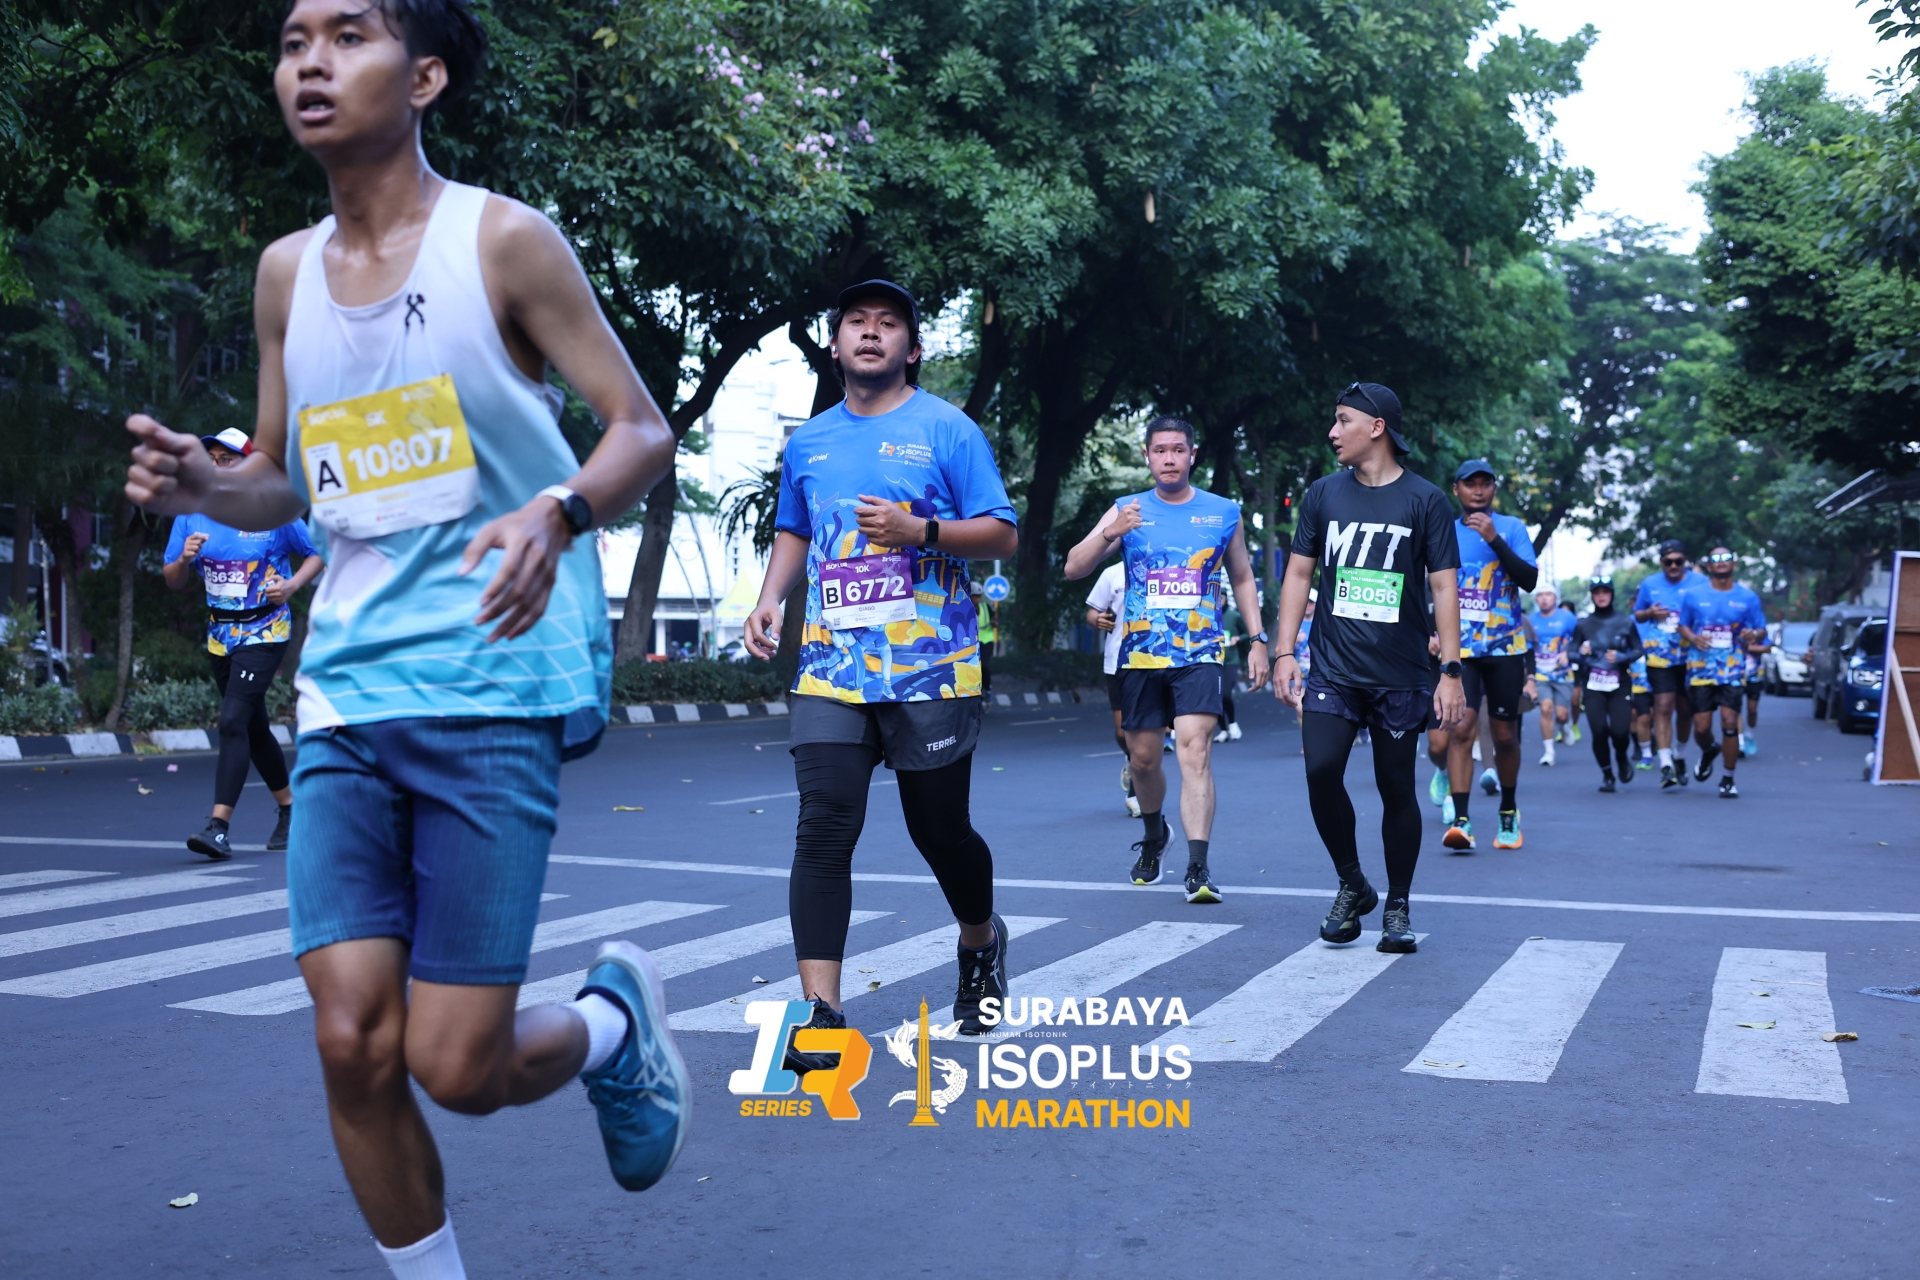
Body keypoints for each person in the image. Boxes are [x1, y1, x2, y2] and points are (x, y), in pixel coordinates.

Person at [123, 6, 688, 1275]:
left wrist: (559, 508)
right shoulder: (285, 273)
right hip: (345, 692)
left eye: (349, 35)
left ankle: (611, 1024)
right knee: (351, 1042)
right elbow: (289, 477)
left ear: (423, 76)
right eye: (293, 42)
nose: (311, 63)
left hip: (491, 681)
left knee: (458, 1066)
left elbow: (640, 427)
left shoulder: (501, 241)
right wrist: (207, 485)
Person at [743, 277, 1019, 1053]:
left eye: (888, 323)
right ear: (835, 346)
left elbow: (1002, 534)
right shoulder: (809, 442)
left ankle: (979, 940)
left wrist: (919, 529)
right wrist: (769, 598)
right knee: (824, 828)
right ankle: (821, 1015)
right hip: (831, 667)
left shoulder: (949, 430)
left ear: (913, 348)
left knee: (940, 831)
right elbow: (795, 529)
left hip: (932, 666)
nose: (871, 331)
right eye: (856, 321)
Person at [1270, 381, 1465, 953]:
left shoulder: (1426, 500)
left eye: (1343, 420)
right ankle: (1353, 883)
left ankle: (1397, 906)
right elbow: (1299, 574)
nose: (1333, 432)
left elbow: (1444, 587)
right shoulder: (1323, 494)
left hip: (1400, 674)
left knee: (1395, 786)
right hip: (1333, 668)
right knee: (1320, 770)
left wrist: (1451, 671)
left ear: (1376, 427)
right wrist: (1285, 650)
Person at [1063, 416, 1269, 903]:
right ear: (1147, 456)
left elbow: (1242, 577)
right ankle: (1155, 835)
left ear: (1192, 455)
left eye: (1178, 449)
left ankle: (1198, 867)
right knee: (1143, 759)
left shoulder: (1223, 512)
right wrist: (1111, 532)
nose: (1169, 458)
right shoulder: (1126, 509)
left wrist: (1258, 639)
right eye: (1160, 450)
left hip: (1200, 652)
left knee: (1196, 750)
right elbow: (1073, 567)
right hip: (1140, 656)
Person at [162, 428, 324, 859]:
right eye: (212, 459)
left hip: (265, 631)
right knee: (252, 727)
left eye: (228, 459)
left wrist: (291, 585)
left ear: (249, 466)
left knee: (233, 720)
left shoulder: (269, 511)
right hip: (221, 636)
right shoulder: (192, 513)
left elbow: (318, 551)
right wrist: (184, 560)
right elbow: (172, 579)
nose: (217, 466)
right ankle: (291, 809)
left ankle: (218, 828)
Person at [1440, 458, 1537, 852]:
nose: (1478, 490)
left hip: (1505, 647)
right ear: (1457, 489)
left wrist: (1495, 539)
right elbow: (1431, 585)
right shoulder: (1444, 531)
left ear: (1494, 489)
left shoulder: (1512, 528)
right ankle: (1462, 821)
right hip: (1460, 648)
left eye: (1485, 483)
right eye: (1470, 484)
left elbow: (1529, 580)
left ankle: (1508, 811)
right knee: (1461, 729)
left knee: (1504, 736)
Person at [1679, 546, 1770, 797]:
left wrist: (1753, 634)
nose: (1721, 562)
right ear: (1709, 566)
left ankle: (1728, 779)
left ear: (1734, 564)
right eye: (1715, 559)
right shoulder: (1694, 595)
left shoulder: (1748, 597)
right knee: (1701, 727)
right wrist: (1693, 638)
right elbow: (1682, 625)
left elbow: (1761, 629)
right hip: (1701, 669)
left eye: (1726, 558)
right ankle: (1709, 750)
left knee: (1730, 722)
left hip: (1732, 668)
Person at [1633, 539, 1708, 789]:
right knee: (1663, 706)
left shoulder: (1700, 582)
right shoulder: (1650, 583)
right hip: (1660, 655)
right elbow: (1638, 614)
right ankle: (1665, 764)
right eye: (1668, 562)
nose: (1673, 566)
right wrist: (1650, 614)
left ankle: (1679, 755)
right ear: (1661, 562)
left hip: (1690, 656)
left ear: (1685, 560)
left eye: (1678, 561)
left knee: (1685, 710)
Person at [1573, 576, 1639, 791]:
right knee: (1599, 730)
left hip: (1619, 683)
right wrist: (1581, 653)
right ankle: (1607, 774)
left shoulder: (1625, 622)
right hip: (1593, 684)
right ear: (1592, 596)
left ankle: (1621, 756)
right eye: (1597, 592)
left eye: (1605, 592)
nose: (1601, 596)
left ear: (1612, 594)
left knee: (1620, 731)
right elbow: (1571, 652)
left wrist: (1622, 657)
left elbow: (1638, 649)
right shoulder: (1584, 624)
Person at [1085, 559, 1139, 814]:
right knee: (1122, 733)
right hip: (1117, 660)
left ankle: (1136, 792)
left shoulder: (1161, 568)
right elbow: (1092, 611)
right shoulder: (1112, 573)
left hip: (1152, 660)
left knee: (1143, 731)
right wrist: (1097, 619)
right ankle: (1132, 758)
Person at [1530, 587, 1578, 766]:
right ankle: (1549, 752)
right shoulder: (1530, 620)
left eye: (1548, 595)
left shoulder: (1567, 618)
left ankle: (1564, 725)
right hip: (1540, 673)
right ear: (1536, 599)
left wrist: (1568, 652)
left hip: (1562, 673)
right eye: (1540, 595)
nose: (1544, 599)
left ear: (1555, 598)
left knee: (1561, 715)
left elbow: (1580, 638)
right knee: (1545, 709)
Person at [1214, 568, 1246, 743]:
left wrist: (1238, 638)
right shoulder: (1209, 616)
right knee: (1215, 697)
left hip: (1231, 659)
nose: (1220, 601)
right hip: (1214, 660)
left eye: (1222, 598)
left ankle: (1232, 723)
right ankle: (1223, 730)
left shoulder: (1233, 616)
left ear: (1226, 599)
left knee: (1225, 694)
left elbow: (1247, 633)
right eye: (1217, 598)